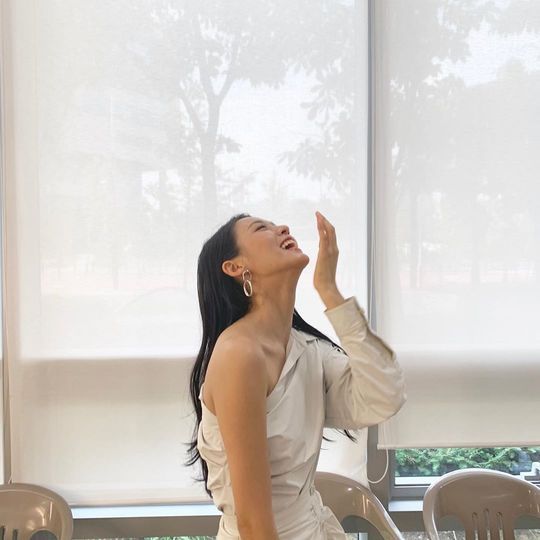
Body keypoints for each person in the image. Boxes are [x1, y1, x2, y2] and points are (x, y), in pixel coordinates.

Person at [186, 210, 406, 539]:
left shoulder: (307, 348)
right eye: (262, 228)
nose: (282, 228)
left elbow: (385, 397)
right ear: (235, 267)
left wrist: (329, 291)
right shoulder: (239, 354)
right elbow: (254, 524)